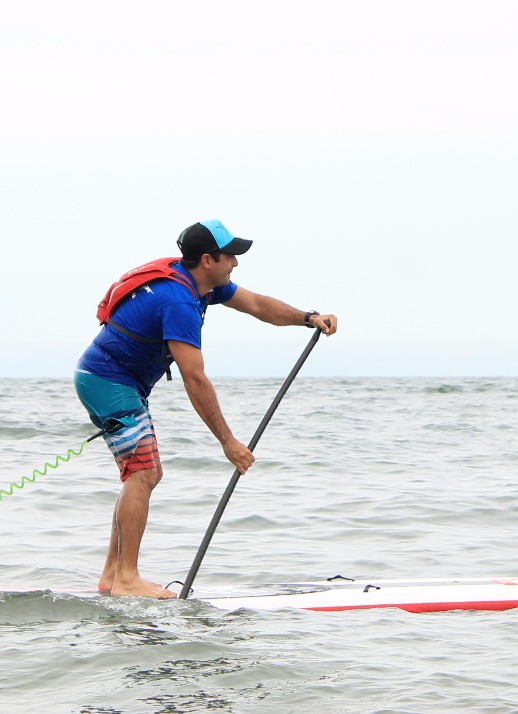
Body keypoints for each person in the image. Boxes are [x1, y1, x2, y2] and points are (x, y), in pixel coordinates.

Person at [74, 219, 338, 598]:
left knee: (142, 473)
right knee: (144, 474)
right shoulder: (178, 301)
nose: (236, 263)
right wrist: (228, 442)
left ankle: (114, 576)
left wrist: (308, 318)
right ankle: (127, 579)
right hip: (107, 382)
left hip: (110, 381)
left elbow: (258, 305)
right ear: (208, 260)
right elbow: (195, 379)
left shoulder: (199, 284)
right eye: (230, 256)